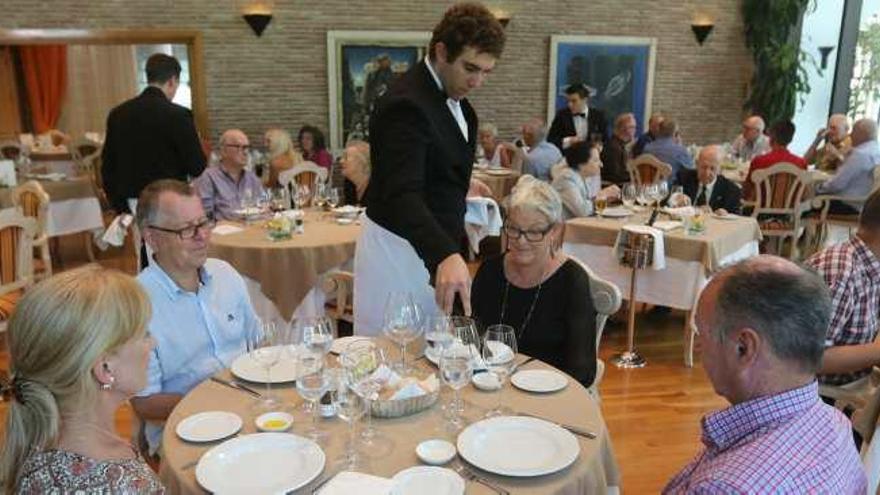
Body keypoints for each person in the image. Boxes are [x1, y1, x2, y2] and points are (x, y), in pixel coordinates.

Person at [355, 3, 506, 334]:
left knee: (432, 354)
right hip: (397, 249)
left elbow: (428, 167)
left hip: (429, 246)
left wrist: (461, 188)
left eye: (486, 71)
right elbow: (401, 192)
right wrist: (445, 255)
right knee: (392, 357)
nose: (477, 81)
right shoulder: (405, 103)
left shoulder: (461, 107)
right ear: (441, 51)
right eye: (470, 68)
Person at [663, 256, 866, 493]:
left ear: (744, 347)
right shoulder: (836, 423)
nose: (698, 347)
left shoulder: (725, 487)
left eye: (702, 333)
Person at [0, 265, 163, 493]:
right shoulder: (127, 485)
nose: (153, 343)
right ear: (105, 369)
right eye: (144, 334)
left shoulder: (33, 445)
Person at [131, 180, 261, 456]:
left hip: (250, 409)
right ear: (151, 238)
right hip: (186, 432)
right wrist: (214, 401)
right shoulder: (137, 303)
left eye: (204, 223)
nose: (202, 236)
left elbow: (259, 342)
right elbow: (143, 403)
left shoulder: (225, 274)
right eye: (187, 229)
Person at [471, 178, 597, 386]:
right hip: (491, 387)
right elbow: (473, 338)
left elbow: (583, 371)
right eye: (513, 229)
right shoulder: (490, 271)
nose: (521, 241)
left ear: (554, 231)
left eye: (534, 232)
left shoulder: (572, 281)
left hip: (548, 394)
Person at [101, 53, 206, 215]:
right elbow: (197, 166)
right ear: (172, 81)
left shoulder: (118, 114)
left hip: (130, 203)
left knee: (139, 241)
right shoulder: (179, 115)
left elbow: (108, 166)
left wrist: (118, 206)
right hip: (169, 202)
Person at [807, 189, 880, 387]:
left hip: (850, 384)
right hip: (819, 396)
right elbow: (807, 358)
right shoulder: (842, 274)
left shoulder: (870, 263)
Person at [193, 129, 264, 221]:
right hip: (222, 232)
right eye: (238, 146)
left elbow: (263, 205)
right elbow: (204, 216)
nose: (245, 152)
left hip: (251, 230)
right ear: (223, 151)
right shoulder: (208, 177)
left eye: (246, 147)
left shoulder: (252, 178)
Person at [815, 118, 880, 214]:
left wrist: (817, 188)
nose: (850, 135)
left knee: (804, 201)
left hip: (848, 204)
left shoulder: (860, 154)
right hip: (867, 205)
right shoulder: (876, 151)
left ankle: (789, 225)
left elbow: (837, 184)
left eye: (854, 131)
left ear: (862, 134)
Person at [551, 142, 618, 218]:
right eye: (596, 160)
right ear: (581, 164)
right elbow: (582, 211)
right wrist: (602, 195)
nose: (601, 164)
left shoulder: (583, 177)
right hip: (564, 227)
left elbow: (588, 202)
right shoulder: (566, 179)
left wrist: (607, 198)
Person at [547, 83, 608, 162]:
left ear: (585, 100)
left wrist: (599, 147)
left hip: (592, 161)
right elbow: (550, 140)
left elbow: (606, 140)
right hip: (567, 161)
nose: (570, 105)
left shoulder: (598, 116)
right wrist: (568, 141)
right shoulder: (561, 116)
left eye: (574, 101)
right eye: (568, 101)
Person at [676, 145, 742, 214]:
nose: (707, 173)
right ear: (697, 164)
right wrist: (676, 199)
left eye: (712, 168)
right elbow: (670, 200)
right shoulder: (683, 178)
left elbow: (737, 217)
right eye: (704, 167)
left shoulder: (731, 190)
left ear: (719, 169)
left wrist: (726, 214)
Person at [643, 118, 693, 185]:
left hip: (648, 190)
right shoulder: (680, 151)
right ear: (675, 133)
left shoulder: (647, 148)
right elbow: (691, 169)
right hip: (669, 191)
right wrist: (680, 145)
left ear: (659, 130)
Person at [601, 112, 637, 185]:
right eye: (632, 127)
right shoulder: (613, 147)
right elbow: (616, 175)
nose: (635, 130)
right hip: (613, 187)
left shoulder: (620, 145)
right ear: (623, 128)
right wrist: (636, 176)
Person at [340, 140, 371, 206]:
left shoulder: (377, 187)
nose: (341, 161)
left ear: (361, 162)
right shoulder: (349, 184)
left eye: (346, 157)